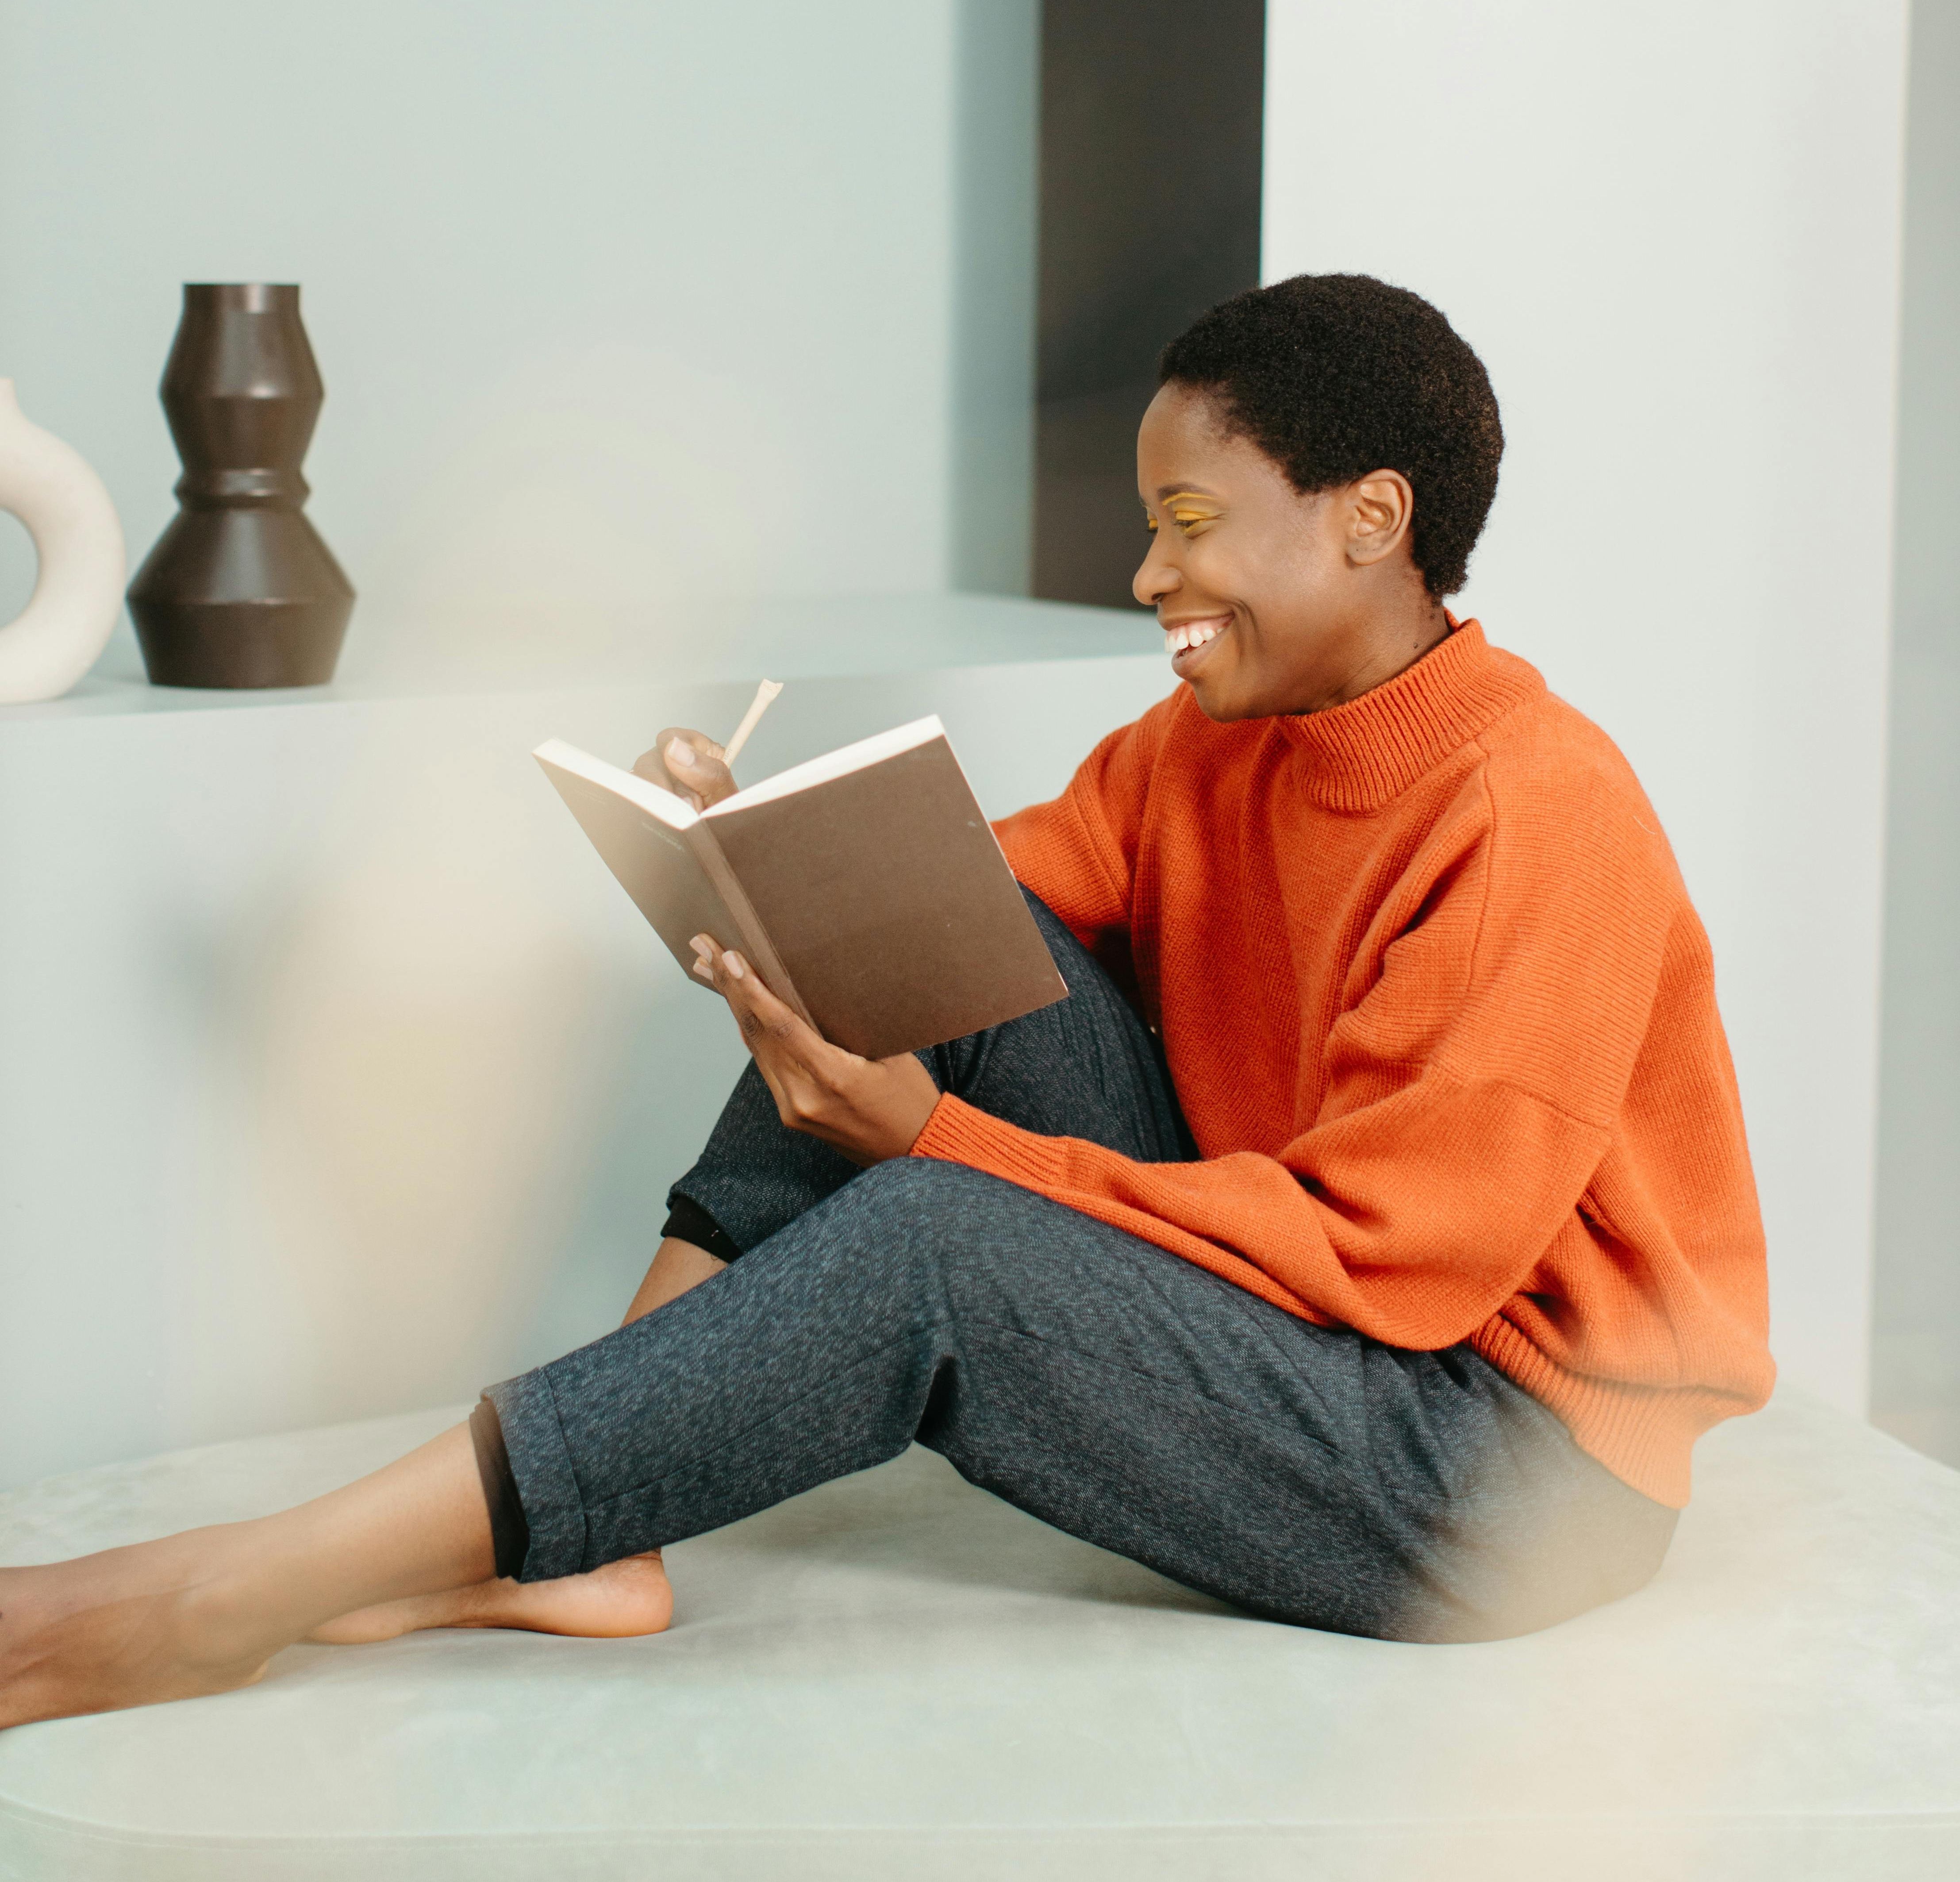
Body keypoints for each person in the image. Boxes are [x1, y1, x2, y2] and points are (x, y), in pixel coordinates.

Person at [0, 274, 1773, 1729]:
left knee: (940, 1228)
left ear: (1371, 520)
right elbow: (965, 893)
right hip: (1324, 1332)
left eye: (1186, 525)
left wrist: (944, 1141)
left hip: (1492, 1469)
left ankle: (245, 1584)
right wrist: (747, 835)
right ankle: (577, 1531)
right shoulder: (1209, 748)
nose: (1149, 577)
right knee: (923, 950)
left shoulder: (1531, 808)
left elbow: (1403, 1259)